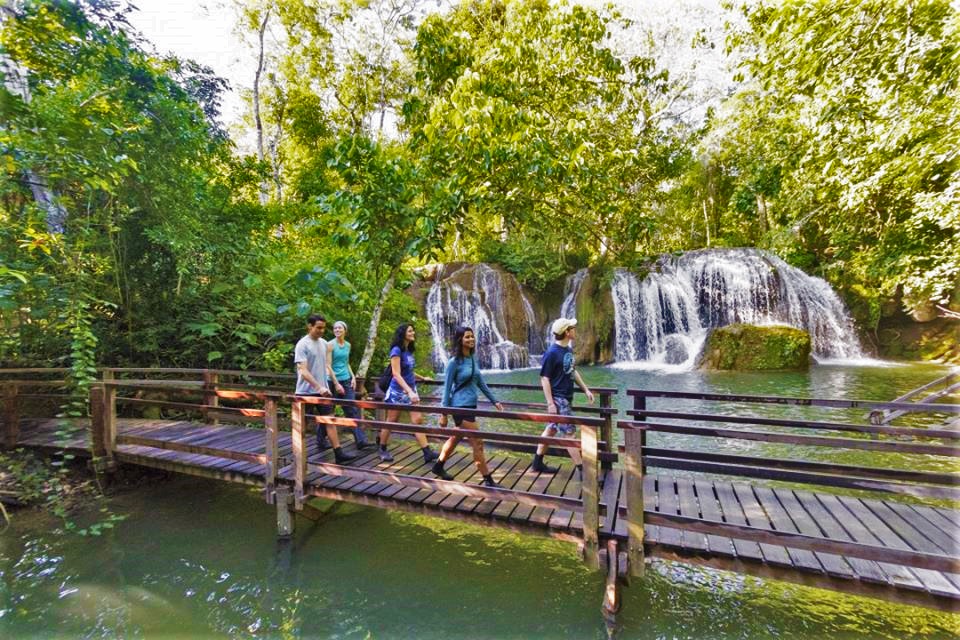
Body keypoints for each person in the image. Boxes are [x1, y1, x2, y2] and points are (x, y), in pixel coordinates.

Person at [431, 326, 505, 487]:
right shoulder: (453, 363)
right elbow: (447, 389)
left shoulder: (472, 358)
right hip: (459, 407)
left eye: (472, 336)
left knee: (456, 436)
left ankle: (438, 466)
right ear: (460, 340)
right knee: (478, 442)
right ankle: (488, 480)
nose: (471, 339)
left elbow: (480, 382)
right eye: (467, 337)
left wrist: (495, 401)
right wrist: (443, 413)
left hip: (471, 406)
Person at [532, 317, 594, 475]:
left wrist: (586, 389)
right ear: (567, 332)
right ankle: (584, 472)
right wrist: (550, 403)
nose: (575, 329)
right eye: (572, 328)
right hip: (558, 399)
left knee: (551, 430)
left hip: (566, 397)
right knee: (569, 434)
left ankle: (537, 463)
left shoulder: (568, 349)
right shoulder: (551, 353)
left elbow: (572, 371)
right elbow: (544, 378)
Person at [294, 314, 356, 464]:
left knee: (330, 421)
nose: (322, 331)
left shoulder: (324, 344)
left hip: (323, 391)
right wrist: (318, 386)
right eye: (318, 328)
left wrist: (331, 384)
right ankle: (298, 456)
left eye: (323, 328)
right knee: (301, 424)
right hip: (305, 392)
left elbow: (327, 366)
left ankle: (338, 453)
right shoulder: (302, 345)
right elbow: (303, 370)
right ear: (309, 326)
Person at [378, 323, 439, 464]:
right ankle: (382, 448)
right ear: (403, 333)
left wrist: (422, 378)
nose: (413, 333)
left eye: (413, 331)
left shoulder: (408, 350)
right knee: (391, 421)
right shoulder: (396, 350)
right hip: (398, 391)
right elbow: (396, 374)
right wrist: (409, 391)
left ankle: (427, 452)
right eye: (410, 331)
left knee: (417, 420)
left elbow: (408, 370)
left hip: (411, 389)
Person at [327, 321, 373, 450]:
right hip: (332, 381)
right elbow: (328, 365)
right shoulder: (330, 345)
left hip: (346, 380)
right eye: (335, 328)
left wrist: (353, 377)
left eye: (339, 328)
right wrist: (336, 383)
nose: (337, 330)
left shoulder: (348, 345)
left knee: (351, 409)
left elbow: (346, 362)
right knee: (328, 410)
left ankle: (360, 440)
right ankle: (321, 440)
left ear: (345, 330)